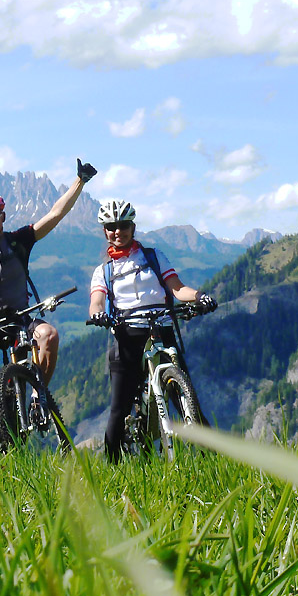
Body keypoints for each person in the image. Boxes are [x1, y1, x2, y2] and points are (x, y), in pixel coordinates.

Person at [0, 158, 97, 449]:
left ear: (3, 215)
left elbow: (55, 215)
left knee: (49, 335)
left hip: (21, 318)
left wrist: (80, 182)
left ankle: (37, 395)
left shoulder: (19, 240)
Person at [87, 198, 217, 461]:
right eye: (111, 227)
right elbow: (96, 301)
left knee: (187, 397)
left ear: (133, 227)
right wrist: (98, 314)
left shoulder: (153, 257)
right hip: (127, 334)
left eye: (123, 225)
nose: (117, 232)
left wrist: (200, 296)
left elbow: (177, 288)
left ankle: (213, 461)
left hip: (161, 327)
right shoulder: (104, 271)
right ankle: (113, 468)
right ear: (105, 231)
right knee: (119, 408)